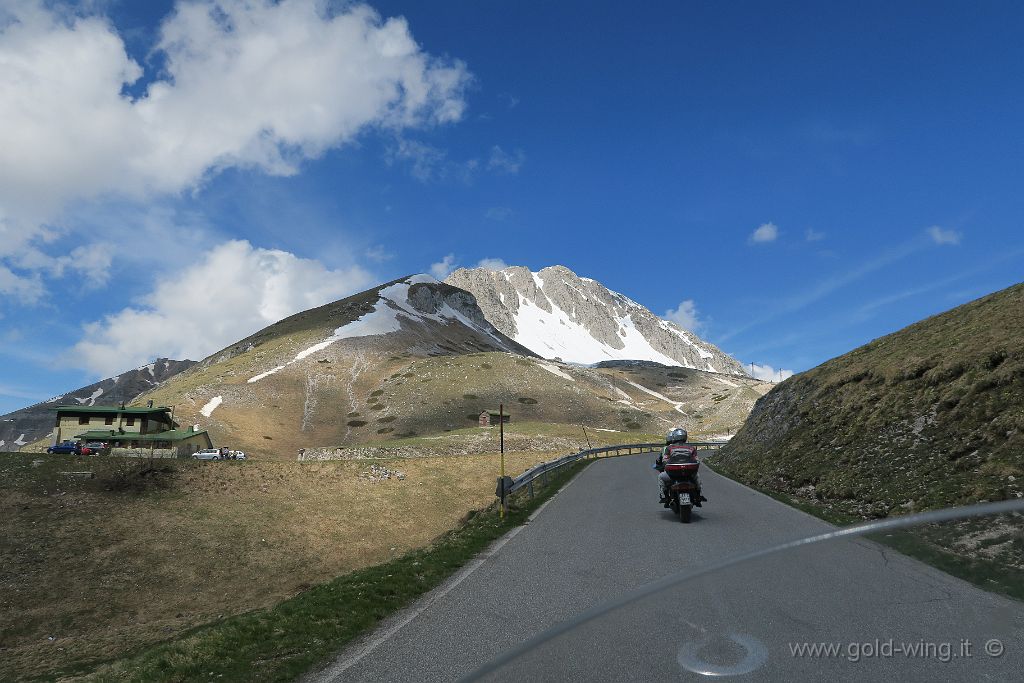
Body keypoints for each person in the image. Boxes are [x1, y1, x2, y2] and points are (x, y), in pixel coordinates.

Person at [655, 427, 704, 507]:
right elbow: (697, 461)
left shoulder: (669, 448)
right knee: (697, 477)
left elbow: (665, 460)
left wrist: (666, 466)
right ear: (685, 436)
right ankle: (699, 495)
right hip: (689, 473)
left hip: (673, 474)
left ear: (674, 437)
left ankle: (665, 497)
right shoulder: (691, 448)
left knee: (661, 477)